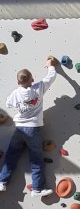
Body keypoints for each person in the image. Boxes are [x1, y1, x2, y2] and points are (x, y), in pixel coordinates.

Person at [0, 58, 57, 197]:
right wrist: (50, 65)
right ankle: (37, 189)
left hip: (19, 129)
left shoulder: (15, 93)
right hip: (33, 130)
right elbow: (51, 77)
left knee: (11, 156)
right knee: (36, 159)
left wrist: (20, 102)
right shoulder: (38, 88)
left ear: (18, 83)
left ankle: (2, 181)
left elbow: (8, 104)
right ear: (32, 79)